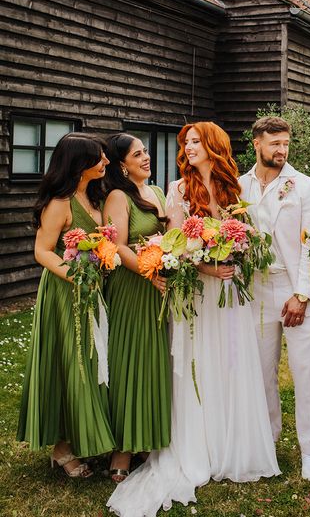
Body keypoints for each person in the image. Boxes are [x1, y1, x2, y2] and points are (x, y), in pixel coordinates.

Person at [107, 122, 279, 516]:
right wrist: (206, 268)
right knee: (199, 363)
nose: (189, 147)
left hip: (232, 291)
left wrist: (239, 250)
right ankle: (198, 445)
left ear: (213, 145)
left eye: (196, 141)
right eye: (186, 143)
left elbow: (249, 233)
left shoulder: (235, 187)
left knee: (232, 363)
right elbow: (176, 245)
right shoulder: (178, 189)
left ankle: (231, 444)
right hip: (200, 292)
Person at [17, 132, 115, 477]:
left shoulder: (93, 197)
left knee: (92, 361)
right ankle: (62, 448)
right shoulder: (60, 202)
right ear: (79, 163)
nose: (105, 162)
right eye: (98, 158)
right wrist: (77, 276)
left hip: (94, 289)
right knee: (71, 362)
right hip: (65, 290)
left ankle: (81, 436)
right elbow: (42, 251)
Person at [239, 116, 310, 482]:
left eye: (286, 143)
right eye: (274, 143)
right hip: (255, 291)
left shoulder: (305, 187)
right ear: (256, 143)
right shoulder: (239, 186)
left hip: (295, 289)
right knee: (260, 372)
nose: (281, 150)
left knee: (307, 372)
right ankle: (268, 439)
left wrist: (302, 295)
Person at [103, 134, 172, 482]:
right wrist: (149, 273)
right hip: (133, 287)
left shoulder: (157, 193)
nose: (146, 158)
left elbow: (170, 235)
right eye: (138, 154)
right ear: (121, 165)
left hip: (159, 286)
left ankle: (146, 436)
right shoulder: (118, 196)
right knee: (129, 358)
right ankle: (122, 447)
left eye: (146, 152)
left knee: (153, 360)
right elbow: (116, 246)